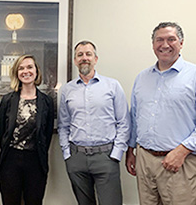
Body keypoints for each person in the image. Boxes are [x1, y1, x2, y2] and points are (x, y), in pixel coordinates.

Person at [126, 22, 196, 204]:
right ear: (153, 44)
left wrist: (183, 150)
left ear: (181, 43)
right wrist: (131, 150)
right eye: (160, 40)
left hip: (180, 163)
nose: (165, 45)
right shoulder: (142, 77)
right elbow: (135, 116)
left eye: (171, 39)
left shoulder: (193, 75)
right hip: (145, 160)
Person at [58, 41, 130, 205]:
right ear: (75, 60)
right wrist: (67, 154)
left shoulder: (112, 86)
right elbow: (64, 125)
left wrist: (116, 153)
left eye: (88, 54)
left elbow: (124, 122)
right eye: (80, 55)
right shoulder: (67, 90)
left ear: (95, 59)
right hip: (77, 157)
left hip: (106, 157)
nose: (84, 58)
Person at [0, 54, 54, 205]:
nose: (26, 71)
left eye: (29, 67)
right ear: (16, 73)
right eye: (21, 68)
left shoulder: (46, 101)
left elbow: (46, 134)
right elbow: (1, 131)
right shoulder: (7, 100)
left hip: (36, 160)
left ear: (36, 71)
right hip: (10, 160)